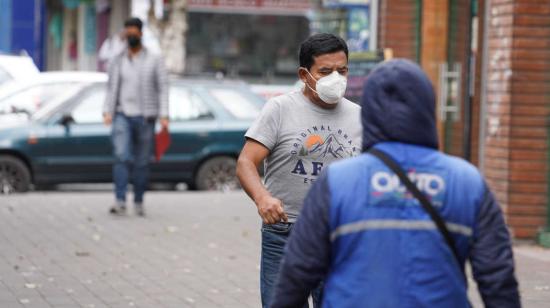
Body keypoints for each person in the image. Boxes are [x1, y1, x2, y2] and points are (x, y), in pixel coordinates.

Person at [270, 59, 521, 308]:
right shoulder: (466, 182)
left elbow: (298, 272)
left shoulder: (337, 182)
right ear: (427, 109)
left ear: (367, 112)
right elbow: (497, 278)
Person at [236, 33, 362, 308]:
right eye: (326, 71)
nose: (336, 78)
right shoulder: (279, 109)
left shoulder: (360, 117)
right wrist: (262, 198)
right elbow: (246, 162)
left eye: (342, 71)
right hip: (285, 233)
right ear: (305, 75)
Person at [102, 17, 169, 216]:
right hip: (122, 114)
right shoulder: (117, 58)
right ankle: (120, 200)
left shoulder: (154, 58)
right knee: (121, 156)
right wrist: (107, 110)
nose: (130, 36)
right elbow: (110, 87)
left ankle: (138, 200)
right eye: (127, 32)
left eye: (134, 32)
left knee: (141, 162)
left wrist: (164, 115)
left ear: (140, 33)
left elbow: (163, 88)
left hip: (145, 117)